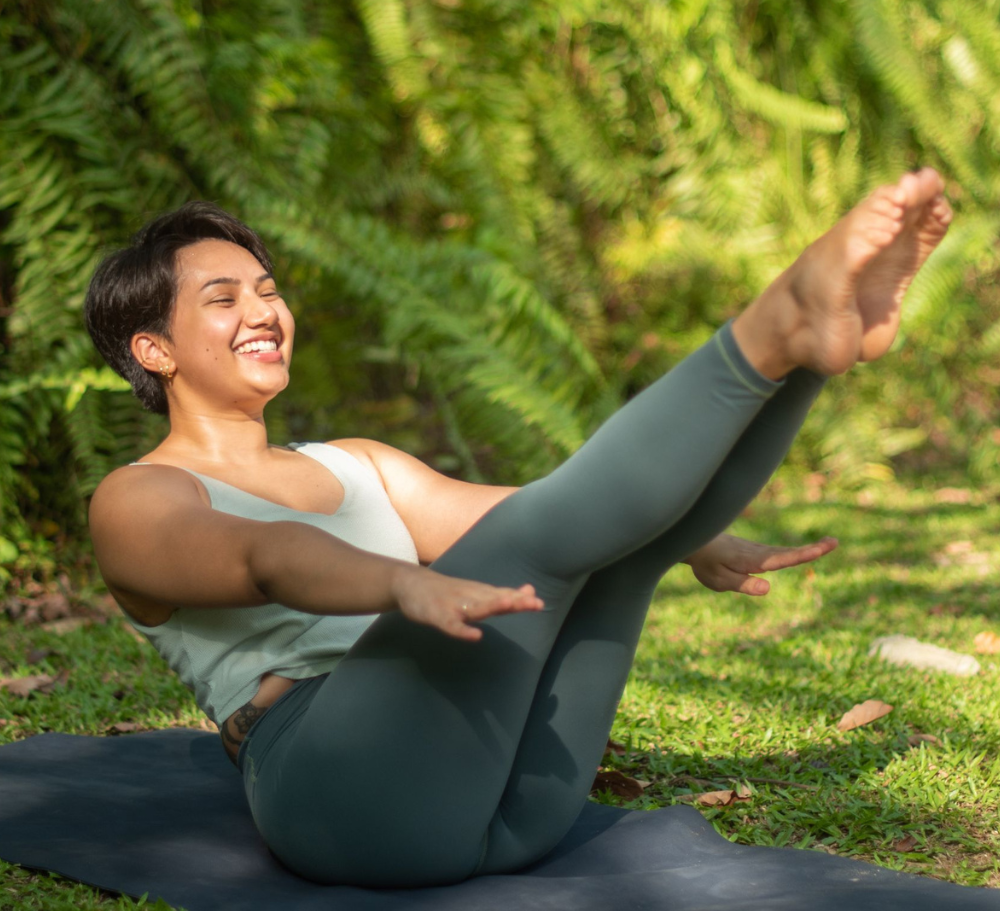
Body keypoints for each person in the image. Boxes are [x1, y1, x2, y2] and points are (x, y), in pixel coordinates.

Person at [83, 168, 952, 888]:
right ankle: (776, 326)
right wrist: (401, 581)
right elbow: (262, 555)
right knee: (547, 542)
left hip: (515, 806)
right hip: (342, 798)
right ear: (154, 350)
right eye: (224, 299)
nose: (264, 314)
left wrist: (683, 538)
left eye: (269, 292)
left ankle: (805, 356)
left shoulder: (357, 462)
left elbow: (520, 514)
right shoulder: (140, 495)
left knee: (618, 558)